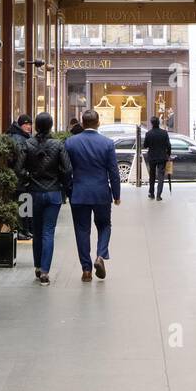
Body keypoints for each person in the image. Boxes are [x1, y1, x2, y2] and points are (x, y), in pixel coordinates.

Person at [64, 109, 121, 281]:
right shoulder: (107, 143)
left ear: (82, 123)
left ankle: (86, 270)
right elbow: (113, 172)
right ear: (98, 123)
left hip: (79, 192)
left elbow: (66, 170)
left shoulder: (71, 142)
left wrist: (69, 191)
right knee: (104, 225)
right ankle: (100, 256)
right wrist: (116, 195)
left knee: (82, 230)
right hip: (101, 192)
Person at [25, 113, 72, 284]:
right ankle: (45, 271)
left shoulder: (28, 143)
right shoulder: (58, 144)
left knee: (36, 231)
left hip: (33, 192)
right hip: (53, 192)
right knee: (48, 231)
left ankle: (37, 266)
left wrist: (28, 178)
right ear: (51, 126)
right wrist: (63, 185)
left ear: (36, 126)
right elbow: (67, 169)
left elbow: (18, 168)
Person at [8, 113, 34, 240]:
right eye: (26, 124)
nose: (28, 126)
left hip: (21, 178)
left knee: (24, 204)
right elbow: (20, 160)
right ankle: (22, 230)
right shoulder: (18, 138)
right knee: (21, 205)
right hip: (19, 178)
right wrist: (25, 173)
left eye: (30, 124)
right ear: (20, 125)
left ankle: (25, 229)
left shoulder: (23, 136)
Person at [143, 116, 172, 200]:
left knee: (152, 176)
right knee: (161, 176)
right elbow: (169, 145)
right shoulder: (164, 133)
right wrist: (168, 154)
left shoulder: (148, 133)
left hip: (152, 157)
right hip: (162, 157)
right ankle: (159, 195)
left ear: (151, 123)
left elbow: (145, 145)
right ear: (159, 122)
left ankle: (151, 193)